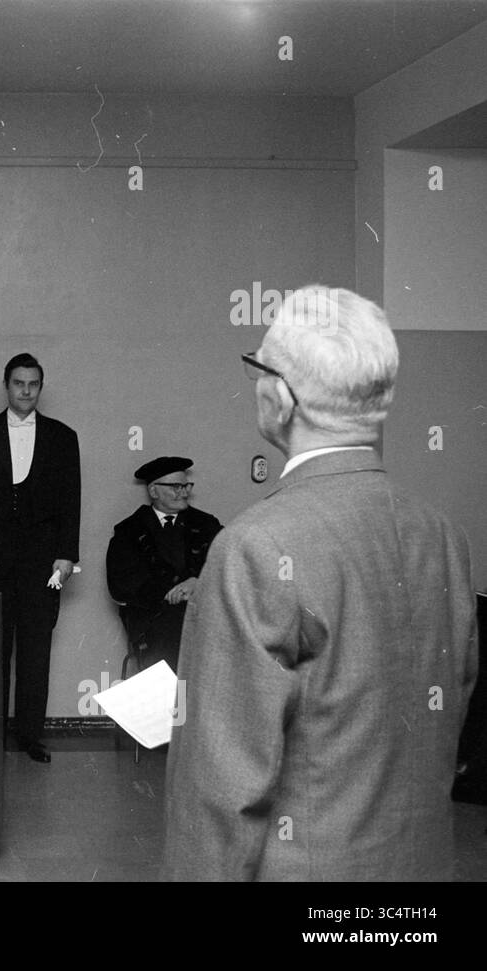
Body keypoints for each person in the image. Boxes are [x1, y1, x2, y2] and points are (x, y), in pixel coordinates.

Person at [163, 285, 478, 880]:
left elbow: (221, 791)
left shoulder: (255, 546)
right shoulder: (444, 536)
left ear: (281, 399)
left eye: (258, 367)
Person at [0, 352, 81, 763]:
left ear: (40, 387)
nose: (26, 391)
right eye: (18, 384)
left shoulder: (64, 437)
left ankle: (30, 737)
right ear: (6, 386)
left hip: (43, 562)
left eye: (33, 384)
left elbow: (70, 502)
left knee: (35, 650)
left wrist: (66, 556)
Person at [106, 456, 221, 675]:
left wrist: (198, 582)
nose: (184, 492)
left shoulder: (206, 525)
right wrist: (172, 594)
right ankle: (176, 707)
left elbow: (226, 563)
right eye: (176, 486)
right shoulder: (129, 530)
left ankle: (191, 706)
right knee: (171, 631)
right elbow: (121, 584)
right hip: (153, 617)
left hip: (201, 612)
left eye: (186, 485)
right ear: (153, 491)